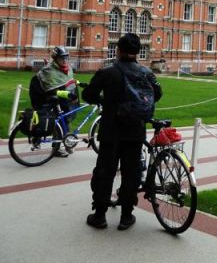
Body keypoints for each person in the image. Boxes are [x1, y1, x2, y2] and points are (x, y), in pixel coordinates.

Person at [83, 33, 162, 230]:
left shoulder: (108, 72)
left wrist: (105, 100)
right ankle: (126, 215)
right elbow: (158, 93)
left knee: (105, 172)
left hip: (111, 129)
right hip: (135, 130)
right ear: (138, 52)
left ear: (118, 50)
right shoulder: (146, 73)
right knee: (131, 173)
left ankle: (100, 215)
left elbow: (88, 94)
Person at [29, 46, 79, 156]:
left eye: (66, 58)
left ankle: (63, 145)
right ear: (55, 58)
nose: (64, 60)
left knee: (63, 119)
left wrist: (78, 83)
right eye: (62, 58)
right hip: (43, 97)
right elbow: (52, 90)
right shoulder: (49, 70)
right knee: (46, 119)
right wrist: (67, 94)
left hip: (61, 98)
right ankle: (38, 139)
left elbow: (68, 82)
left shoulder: (67, 68)